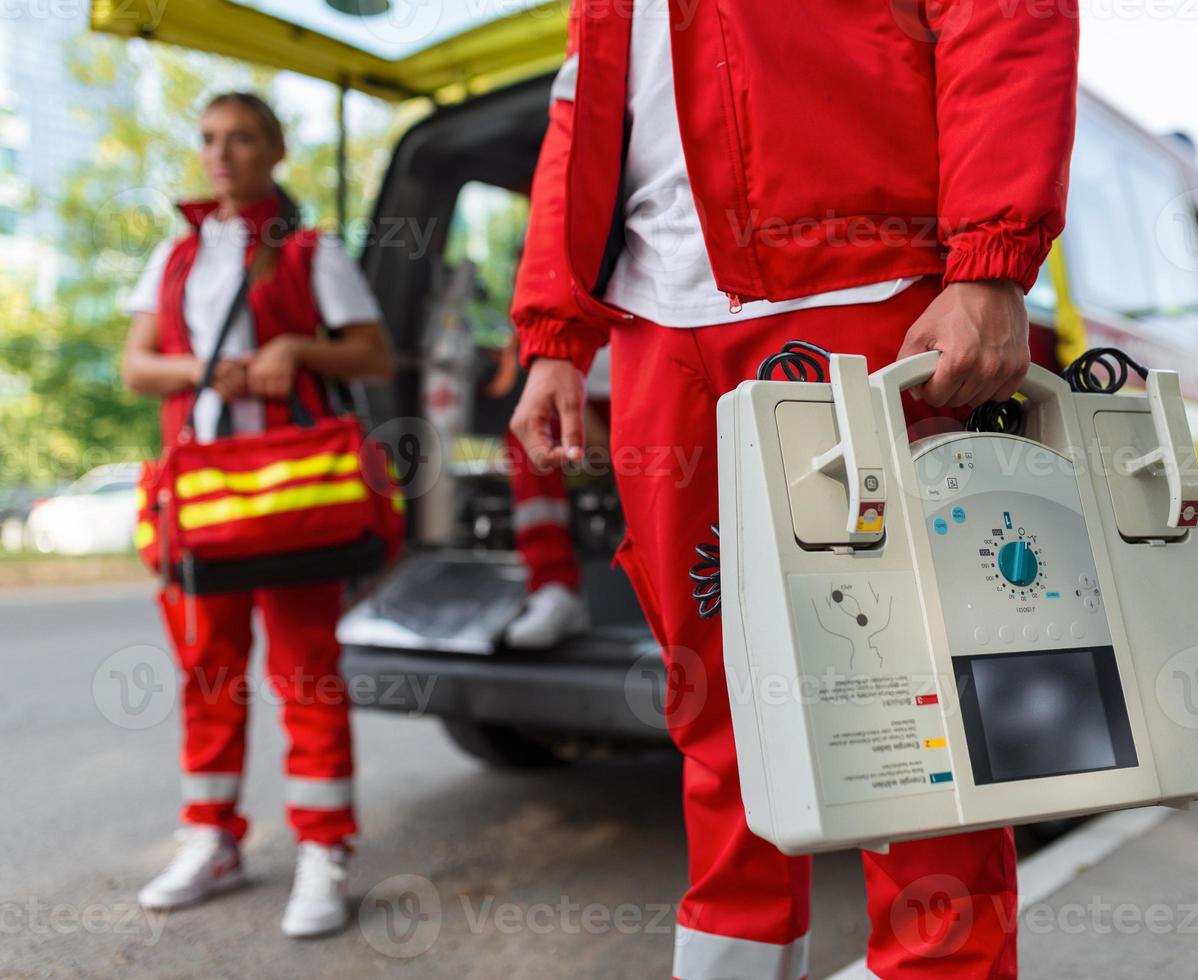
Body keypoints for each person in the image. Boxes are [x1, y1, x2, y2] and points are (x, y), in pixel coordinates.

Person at [509, 0, 1078, 976]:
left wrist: (991, 261)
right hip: (657, 321)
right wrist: (555, 332)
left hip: (860, 284)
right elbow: (584, 111)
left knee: (909, 706)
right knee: (717, 701)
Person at [120, 91, 394, 938]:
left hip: (290, 499)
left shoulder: (312, 251)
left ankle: (323, 848)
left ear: (275, 151)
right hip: (199, 498)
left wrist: (292, 350)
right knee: (207, 674)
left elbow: (374, 353)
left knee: (307, 673)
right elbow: (136, 366)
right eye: (208, 140)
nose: (221, 154)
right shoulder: (173, 257)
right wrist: (208, 371)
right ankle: (211, 837)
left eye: (241, 138)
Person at [500, 346, 612, 648]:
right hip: (580, 393)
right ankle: (554, 588)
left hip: (654, 389)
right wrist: (580, 407)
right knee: (531, 437)